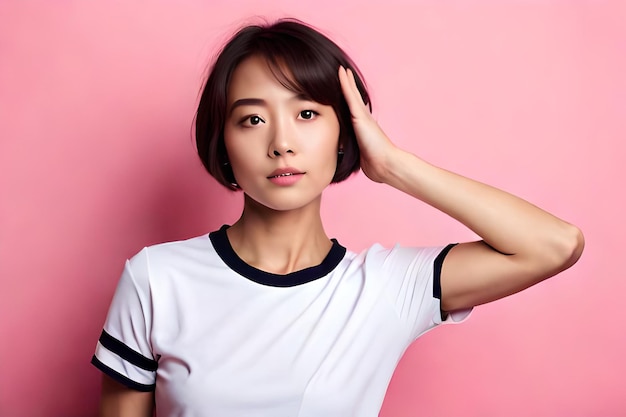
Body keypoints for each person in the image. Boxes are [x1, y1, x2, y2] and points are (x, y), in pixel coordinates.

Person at [91, 18, 584, 417]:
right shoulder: (156, 278)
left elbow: (555, 244)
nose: (281, 142)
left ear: (345, 132)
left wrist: (392, 165)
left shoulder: (386, 289)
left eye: (306, 114)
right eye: (252, 119)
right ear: (224, 144)